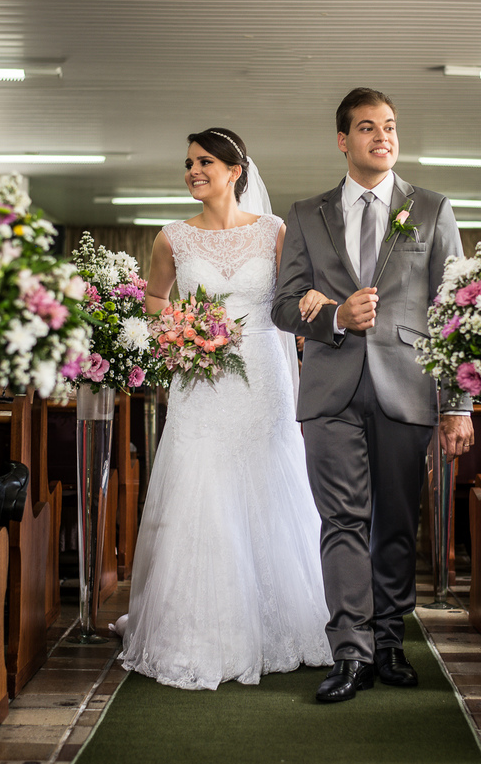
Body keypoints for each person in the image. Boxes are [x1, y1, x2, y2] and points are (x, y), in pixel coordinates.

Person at [272, 87, 473, 703]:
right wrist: (333, 316)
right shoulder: (307, 214)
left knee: (394, 523)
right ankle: (350, 651)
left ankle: (390, 638)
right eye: (366, 128)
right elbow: (282, 305)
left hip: (408, 386)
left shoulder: (433, 209)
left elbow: (456, 310)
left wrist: (460, 403)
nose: (381, 137)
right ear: (343, 140)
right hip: (331, 390)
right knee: (341, 522)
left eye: (389, 126)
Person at [119, 127, 333, 690]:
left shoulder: (274, 232)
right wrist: (179, 331)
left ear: (236, 171)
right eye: (188, 163)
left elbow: (293, 296)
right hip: (200, 382)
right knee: (201, 489)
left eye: (205, 161)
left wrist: (316, 301)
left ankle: (280, 624)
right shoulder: (172, 238)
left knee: (269, 482)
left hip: (262, 374)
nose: (193, 170)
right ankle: (198, 632)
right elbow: (155, 298)